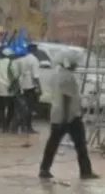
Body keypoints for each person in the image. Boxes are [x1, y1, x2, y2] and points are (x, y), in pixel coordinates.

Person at [39, 50, 99, 180]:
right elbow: (67, 99)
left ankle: (44, 169)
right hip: (70, 117)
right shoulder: (67, 77)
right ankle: (86, 171)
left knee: (52, 143)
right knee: (80, 145)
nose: (76, 66)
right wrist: (66, 119)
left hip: (57, 115)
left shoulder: (56, 74)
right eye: (75, 63)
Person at [0, 48, 21, 132]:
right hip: (10, 90)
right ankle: (6, 125)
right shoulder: (12, 63)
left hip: (0, 90)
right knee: (11, 109)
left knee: (0, 108)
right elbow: (16, 76)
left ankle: (1, 124)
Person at [20, 44, 41, 134]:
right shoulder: (34, 60)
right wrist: (40, 87)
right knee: (30, 108)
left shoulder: (23, 59)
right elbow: (35, 76)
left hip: (23, 86)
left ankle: (23, 126)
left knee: (24, 107)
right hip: (31, 86)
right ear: (34, 50)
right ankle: (28, 127)